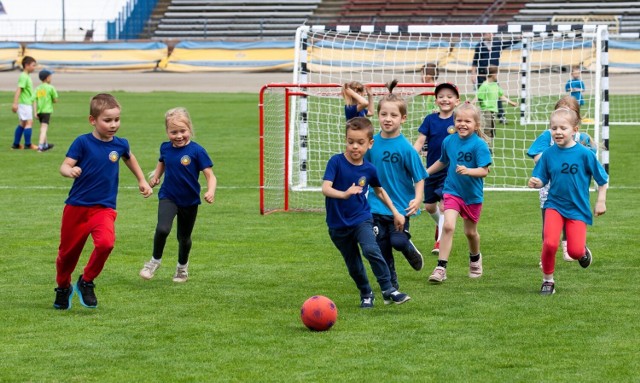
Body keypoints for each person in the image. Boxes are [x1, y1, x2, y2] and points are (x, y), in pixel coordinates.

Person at [53, 93, 153, 310]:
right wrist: (70, 171)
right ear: (93, 120)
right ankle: (63, 287)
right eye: (107, 120)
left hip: (104, 208)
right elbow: (64, 166)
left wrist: (142, 180)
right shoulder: (82, 142)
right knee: (67, 255)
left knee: (106, 243)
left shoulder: (120, 145)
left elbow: (129, 157)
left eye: (117, 119)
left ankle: (86, 281)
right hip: (76, 207)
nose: (113, 124)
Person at [322, 116, 411, 308]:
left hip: (362, 219)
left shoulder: (370, 169)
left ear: (370, 144)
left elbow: (379, 190)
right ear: (345, 140)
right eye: (350, 142)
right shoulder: (336, 162)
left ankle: (389, 289)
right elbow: (326, 188)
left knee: (371, 249)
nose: (355, 146)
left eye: (360, 142)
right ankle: (366, 293)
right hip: (337, 225)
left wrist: (396, 212)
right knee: (353, 263)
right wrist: (344, 194)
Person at [528, 107, 608, 295]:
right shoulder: (548, 154)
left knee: (574, 252)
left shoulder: (585, 154)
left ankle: (582, 251)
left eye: (563, 128)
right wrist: (536, 182)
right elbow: (542, 179)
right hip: (554, 205)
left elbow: (602, 180)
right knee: (550, 243)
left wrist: (601, 201)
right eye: (554, 128)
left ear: (575, 130)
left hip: (578, 208)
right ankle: (548, 281)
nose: (558, 132)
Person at [139, 107, 217, 283]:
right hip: (169, 196)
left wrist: (210, 191)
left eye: (183, 131)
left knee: (184, 238)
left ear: (189, 129)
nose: (179, 136)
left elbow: (210, 175)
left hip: (189, 201)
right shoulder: (165, 148)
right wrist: (156, 177)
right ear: (167, 132)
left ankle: (182, 268)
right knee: (162, 229)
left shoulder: (197, 151)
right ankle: (154, 262)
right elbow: (162, 162)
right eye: (174, 132)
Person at [364, 80, 428, 289]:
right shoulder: (371, 143)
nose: (388, 119)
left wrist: (418, 198)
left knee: (397, 242)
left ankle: (409, 249)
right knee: (381, 247)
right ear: (378, 115)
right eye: (384, 114)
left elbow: (419, 177)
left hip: (400, 207)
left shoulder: (406, 148)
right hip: (375, 205)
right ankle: (391, 283)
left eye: (393, 115)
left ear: (403, 119)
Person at [425, 102, 492, 283]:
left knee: (470, 233)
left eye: (467, 121)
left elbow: (484, 171)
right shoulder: (448, 141)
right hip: (452, 191)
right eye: (459, 120)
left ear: (476, 125)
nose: (462, 124)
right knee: (448, 226)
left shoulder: (479, 145)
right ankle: (441, 268)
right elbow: (443, 161)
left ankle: (475, 258)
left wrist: (468, 171)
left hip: (472, 196)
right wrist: (426, 173)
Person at [527, 95, 597, 263]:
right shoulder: (548, 135)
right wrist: (552, 158)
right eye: (561, 111)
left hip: (573, 188)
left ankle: (570, 248)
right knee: (548, 222)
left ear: (576, 120)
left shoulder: (583, 139)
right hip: (549, 186)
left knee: (571, 220)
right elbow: (536, 155)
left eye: (570, 112)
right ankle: (547, 252)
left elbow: (589, 162)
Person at [413, 82, 460, 255]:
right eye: (441, 97)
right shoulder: (430, 120)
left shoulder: (458, 120)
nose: (445, 99)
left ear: (457, 100)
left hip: (450, 171)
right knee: (430, 207)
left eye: (449, 96)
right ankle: (439, 223)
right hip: (431, 169)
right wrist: (411, 156)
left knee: (443, 206)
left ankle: (440, 241)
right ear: (436, 100)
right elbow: (420, 141)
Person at [471, 33, 518, 123]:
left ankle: (501, 116)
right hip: (481, 75)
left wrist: (519, 38)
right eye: (487, 33)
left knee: (497, 95)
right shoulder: (479, 46)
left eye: (490, 33)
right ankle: (484, 115)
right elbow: (475, 61)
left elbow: (509, 43)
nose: (489, 35)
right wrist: (473, 74)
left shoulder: (497, 44)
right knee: (482, 96)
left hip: (493, 76)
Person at [471, 66, 518, 147]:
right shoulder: (484, 85)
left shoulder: (495, 85)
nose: (497, 75)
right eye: (497, 74)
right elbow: (477, 97)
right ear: (493, 74)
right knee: (487, 129)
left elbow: (501, 96)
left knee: (492, 130)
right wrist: (471, 105)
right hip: (486, 110)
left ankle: (488, 146)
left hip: (493, 110)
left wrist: (511, 102)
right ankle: (485, 147)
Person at [11, 56, 38, 150]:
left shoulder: (26, 76)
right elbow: (19, 89)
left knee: (22, 123)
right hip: (25, 103)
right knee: (29, 122)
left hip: (25, 103)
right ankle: (28, 144)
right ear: (26, 65)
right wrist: (15, 103)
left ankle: (16, 144)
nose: (34, 67)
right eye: (33, 65)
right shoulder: (23, 76)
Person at [34, 69, 58, 152]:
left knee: (42, 127)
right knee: (44, 129)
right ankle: (40, 146)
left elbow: (35, 100)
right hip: (47, 111)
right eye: (50, 77)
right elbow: (55, 99)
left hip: (40, 111)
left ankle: (45, 145)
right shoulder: (50, 88)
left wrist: (35, 112)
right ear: (47, 78)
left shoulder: (38, 88)